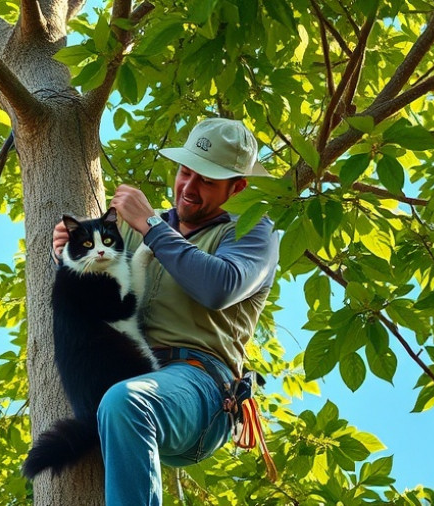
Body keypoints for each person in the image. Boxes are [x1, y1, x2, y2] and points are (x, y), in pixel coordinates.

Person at [51, 117, 279, 505]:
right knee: (118, 403)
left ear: (237, 187)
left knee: (127, 402)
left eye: (206, 180)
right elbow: (104, 304)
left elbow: (219, 287)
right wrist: (68, 258)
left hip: (201, 388)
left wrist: (152, 225)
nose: (188, 188)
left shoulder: (254, 230)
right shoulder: (139, 230)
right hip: (130, 374)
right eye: (185, 172)